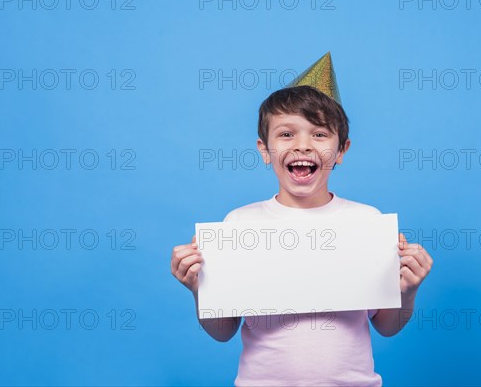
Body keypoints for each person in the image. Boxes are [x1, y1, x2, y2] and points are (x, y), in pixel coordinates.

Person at [171, 53, 433, 386]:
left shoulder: (365, 223)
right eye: (286, 134)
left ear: (341, 150)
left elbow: (387, 325)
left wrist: (408, 290)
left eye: (320, 134)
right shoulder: (240, 225)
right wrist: (199, 289)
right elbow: (223, 331)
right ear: (265, 150)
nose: (303, 145)